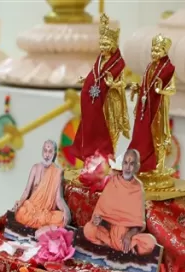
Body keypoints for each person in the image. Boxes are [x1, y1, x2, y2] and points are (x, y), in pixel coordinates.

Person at [64, 13, 130, 165]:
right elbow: (94, 74)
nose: (103, 47)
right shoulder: (99, 59)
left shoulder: (118, 64)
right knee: (92, 128)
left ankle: (108, 160)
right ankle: (93, 159)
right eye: (102, 44)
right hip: (95, 101)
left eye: (107, 44)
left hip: (110, 102)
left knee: (109, 131)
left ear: (113, 45)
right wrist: (86, 80)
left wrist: (112, 83)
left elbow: (122, 83)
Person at [82, 149, 157, 255]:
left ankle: (120, 249)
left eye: (132, 164)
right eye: (125, 163)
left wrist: (129, 234)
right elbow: (101, 212)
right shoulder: (113, 181)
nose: (128, 167)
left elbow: (138, 222)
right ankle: (107, 246)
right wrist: (98, 220)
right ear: (122, 164)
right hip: (108, 234)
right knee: (88, 229)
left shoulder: (138, 187)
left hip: (125, 239)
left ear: (137, 167)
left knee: (150, 242)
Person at [128, 34, 177, 174]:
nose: (154, 53)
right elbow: (146, 86)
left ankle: (159, 166)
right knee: (142, 134)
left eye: (157, 50)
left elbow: (172, 89)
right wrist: (138, 88)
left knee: (158, 136)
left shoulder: (169, 69)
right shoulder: (149, 67)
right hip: (145, 106)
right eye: (153, 50)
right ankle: (142, 163)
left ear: (164, 52)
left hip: (158, 108)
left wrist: (161, 91)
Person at [11, 139, 71, 232]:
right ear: (42, 152)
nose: (47, 155)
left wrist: (66, 211)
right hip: (32, 209)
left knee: (61, 218)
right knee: (21, 212)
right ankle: (44, 228)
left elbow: (59, 199)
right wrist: (19, 203)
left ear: (54, 154)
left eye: (50, 152)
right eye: (45, 151)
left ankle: (41, 227)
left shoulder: (57, 172)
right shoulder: (35, 168)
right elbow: (27, 191)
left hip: (45, 213)